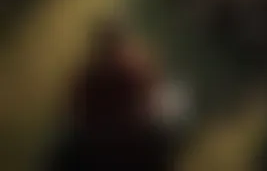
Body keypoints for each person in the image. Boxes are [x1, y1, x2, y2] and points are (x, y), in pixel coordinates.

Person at [47, 18, 179, 171]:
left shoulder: (95, 76)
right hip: (122, 144)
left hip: (103, 145)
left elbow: (76, 111)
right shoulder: (134, 69)